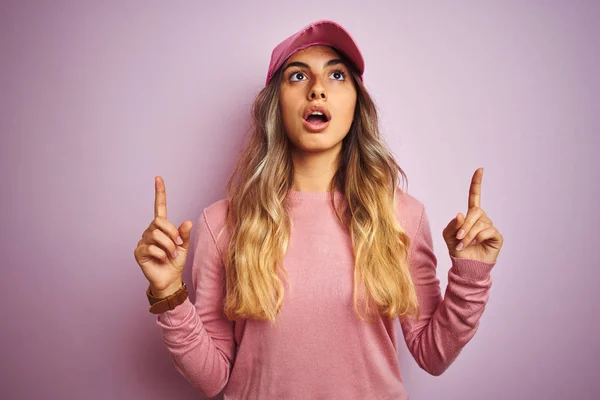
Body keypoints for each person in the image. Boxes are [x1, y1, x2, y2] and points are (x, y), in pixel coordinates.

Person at [133, 19, 503, 399]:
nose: (318, 90)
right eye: (297, 77)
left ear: (356, 103)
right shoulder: (221, 223)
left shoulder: (402, 216)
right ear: (275, 104)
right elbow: (213, 378)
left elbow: (432, 354)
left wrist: (471, 277)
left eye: (337, 75)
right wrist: (168, 293)